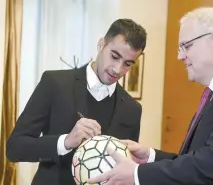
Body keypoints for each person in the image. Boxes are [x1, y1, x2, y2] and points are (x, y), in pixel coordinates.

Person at [88, 7, 213, 185]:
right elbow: (199, 158)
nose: (180, 56)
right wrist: (151, 157)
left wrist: (137, 174)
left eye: (186, 46)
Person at [6, 18, 147, 185]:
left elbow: (126, 170)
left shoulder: (133, 109)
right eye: (114, 56)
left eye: (127, 64)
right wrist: (64, 142)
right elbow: (15, 148)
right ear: (101, 44)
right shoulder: (55, 83)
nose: (117, 69)